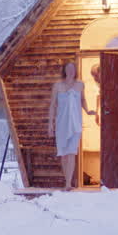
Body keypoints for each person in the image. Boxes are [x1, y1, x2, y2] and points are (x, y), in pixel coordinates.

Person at [47, 60, 95, 189]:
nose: (70, 71)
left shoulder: (80, 85)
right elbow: (52, 105)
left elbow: (83, 100)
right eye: (68, 69)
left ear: (75, 71)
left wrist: (88, 110)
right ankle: (66, 180)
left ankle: (68, 184)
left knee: (71, 153)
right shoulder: (57, 86)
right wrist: (50, 124)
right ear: (64, 70)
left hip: (75, 124)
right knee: (63, 154)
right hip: (61, 123)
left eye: (73, 69)